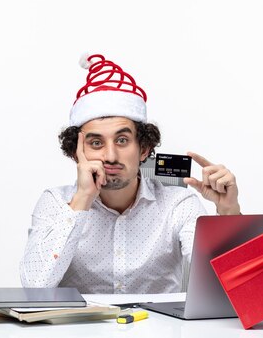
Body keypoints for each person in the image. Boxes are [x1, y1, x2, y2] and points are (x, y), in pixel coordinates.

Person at [20, 53, 241, 294]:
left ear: (144, 148)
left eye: (122, 140)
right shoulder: (55, 203)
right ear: (77, 152)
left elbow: (225, 287)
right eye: (96, 143)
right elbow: (34, 287)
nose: (111, 156)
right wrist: (81, 200)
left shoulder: (178, 204)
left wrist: (228, 213)